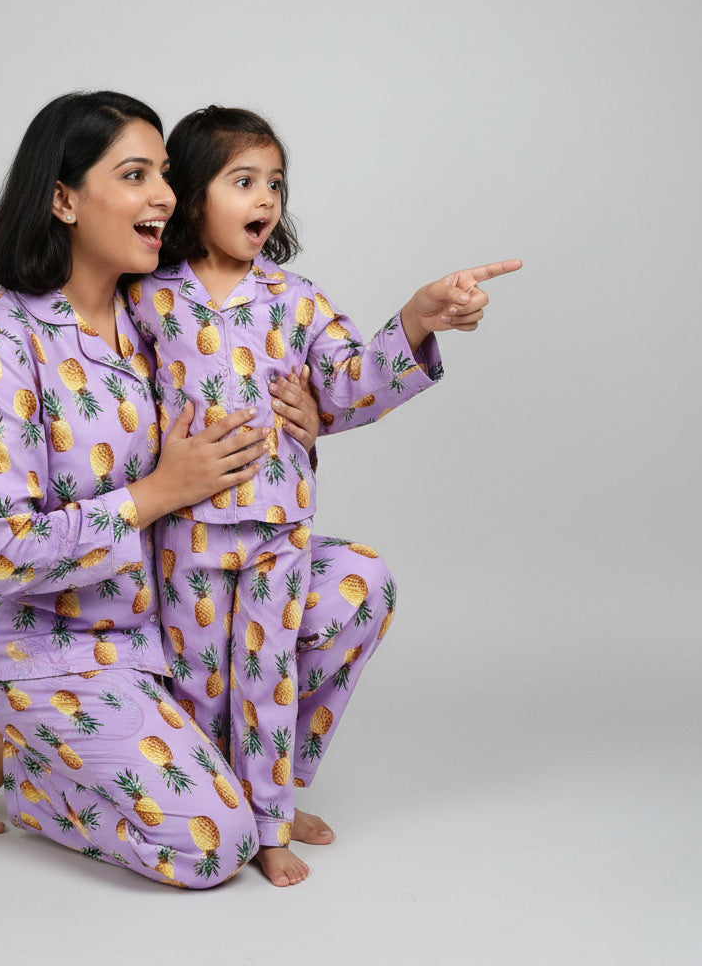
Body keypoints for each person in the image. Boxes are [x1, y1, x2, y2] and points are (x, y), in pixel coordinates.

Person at [0, 91, 328, 888]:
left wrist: (301, 418)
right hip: (51, 646)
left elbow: (243, 419)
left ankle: (256, 788)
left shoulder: (158, 315)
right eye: (136, 175)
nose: (166, 199)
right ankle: (15, 751)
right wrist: (153, 495)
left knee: (358, 587)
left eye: (169, 178)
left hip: (174, 613)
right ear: (63, 198)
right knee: (215, 847)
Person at [126, 106, 521, 884]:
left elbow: (347, 382)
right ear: (192, 193)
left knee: (266, 674)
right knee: (201, 685)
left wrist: (416, 317)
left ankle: (268, 822)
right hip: (184, 534)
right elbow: (121, 403)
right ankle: (233, 807)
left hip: (277, 530)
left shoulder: (294, 297)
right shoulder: (147, 297)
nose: (266, 198)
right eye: (244, 181)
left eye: (275, 183)